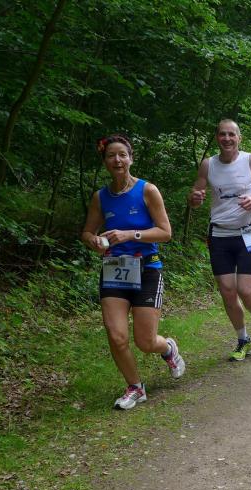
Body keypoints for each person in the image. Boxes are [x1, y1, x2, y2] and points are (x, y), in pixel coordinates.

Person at [81, 134, 185, 410]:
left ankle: (168, 348)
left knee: (146, 341)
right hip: (114, 269)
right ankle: (135, 387)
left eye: (122, 155)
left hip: (147, 268)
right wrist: (93, 240)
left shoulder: (147, 190)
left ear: (130, 159)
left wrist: (130, 234)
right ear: (105, 162)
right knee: (116, 336)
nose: (117, 160)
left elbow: (165, 232)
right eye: (111, 156)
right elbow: (87, 231)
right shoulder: (100, 197)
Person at [188, 119, 251, 361]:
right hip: (220, 234)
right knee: (227, 292)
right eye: (222, 134)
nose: (227, 139)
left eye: (231, 134)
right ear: (217, 137)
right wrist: (195, 198)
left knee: (245, 290)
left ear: (239, 138)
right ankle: (242, 339)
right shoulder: (208, 164)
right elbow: (195, 196)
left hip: (249, 232)